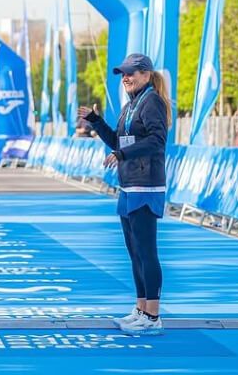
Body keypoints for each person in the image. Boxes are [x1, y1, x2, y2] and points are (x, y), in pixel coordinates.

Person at [79, 53, 170, 336]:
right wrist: (96, 121)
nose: (126, 78)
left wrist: (122, 153)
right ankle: (141, 308)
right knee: (134, 253)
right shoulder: (130, 104)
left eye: (131, 72)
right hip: (128, 184)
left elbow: (157, 140)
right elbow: (118, 140)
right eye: (123, 74)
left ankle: (153, 316)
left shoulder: (151, 100)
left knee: (146, 251)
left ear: (145, 74)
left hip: (146, 184)